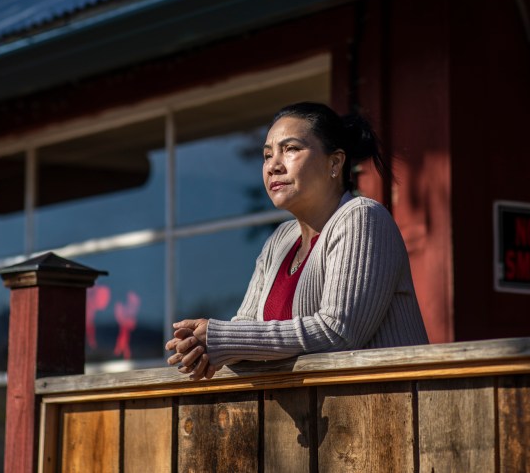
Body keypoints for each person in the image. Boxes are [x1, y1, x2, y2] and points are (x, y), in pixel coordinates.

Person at [165, 102, 429, 379]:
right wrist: (204, 347)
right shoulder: (280, 240)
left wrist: (222, 339)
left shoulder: (362, 217)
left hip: (387, 409)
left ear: (335, 163)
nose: (273, 166)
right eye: (267, 155)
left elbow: (337, 332)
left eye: (290, 149)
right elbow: (244, 327)